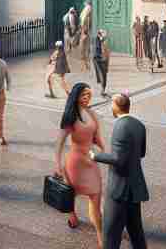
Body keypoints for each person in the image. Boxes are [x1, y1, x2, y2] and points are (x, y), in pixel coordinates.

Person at [90, 93, 149, 249]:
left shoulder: (119, 126)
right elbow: (141, 153)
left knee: (110, 235)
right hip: (134, 188)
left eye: (112, 104)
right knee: (136, 234)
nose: (111, 106)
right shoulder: (139, 125)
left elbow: (117, 159)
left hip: (119, 190)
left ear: (116, 106)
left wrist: (95, 156)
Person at [54, 83, 105, 247]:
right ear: (76, 96)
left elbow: (98, 138)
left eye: (89, 95)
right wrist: (57, 164)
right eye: (84, 95)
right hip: (75, 163)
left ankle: (100, 236)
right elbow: (59, 143)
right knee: (71, 194)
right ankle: (72, 215)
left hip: (91, 162)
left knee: (96, 196)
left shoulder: (92, 113)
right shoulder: (70, 117)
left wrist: (108, 155)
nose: (87, 99)